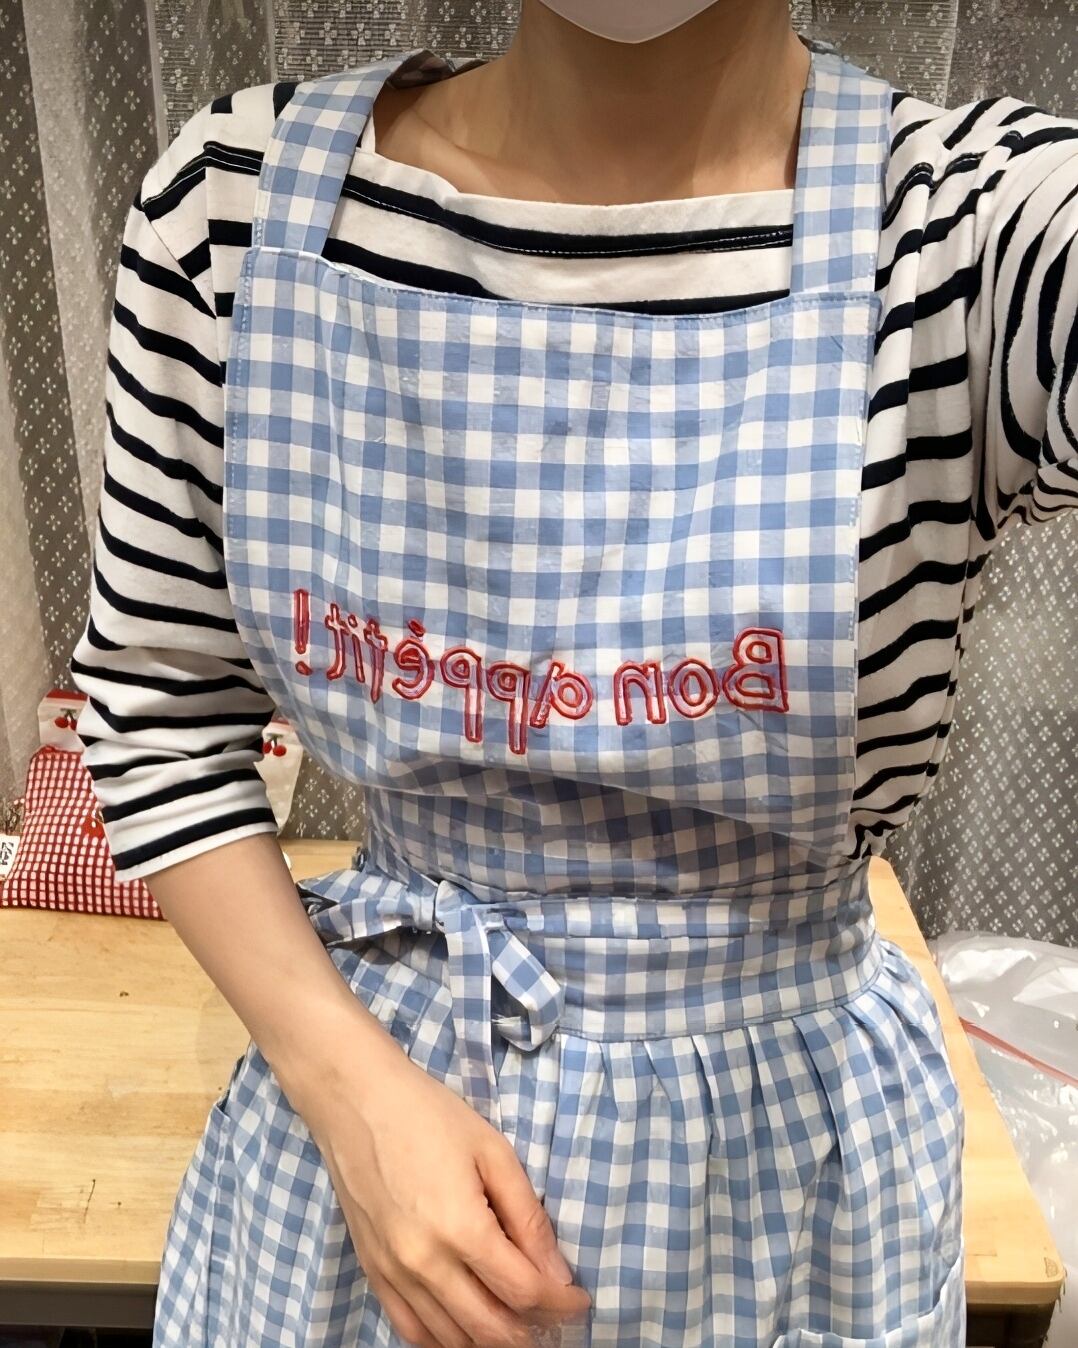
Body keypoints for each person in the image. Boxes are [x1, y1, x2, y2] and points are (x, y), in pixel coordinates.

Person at [69, 0, 1078, 1344]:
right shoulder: (232, 217)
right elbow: (160, 712)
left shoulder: (968, 245)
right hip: (364, 1161)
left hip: (788, 1179)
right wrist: (350, 1092)